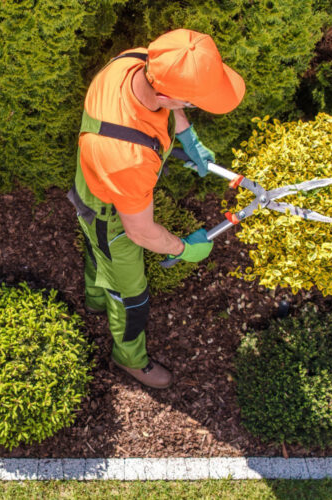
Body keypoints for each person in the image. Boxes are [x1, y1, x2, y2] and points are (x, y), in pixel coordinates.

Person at [67, 29, 245, 389]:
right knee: (131, 294)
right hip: (110, 215)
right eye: (192, 102)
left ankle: (94, 298)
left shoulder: (135, 61)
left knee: (95, 251)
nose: (190, 109)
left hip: (92, 181)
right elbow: (141, 232)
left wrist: (187, 136)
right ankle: (129, 358)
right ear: (166, 94)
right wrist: (185, 247)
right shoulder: (128, 159)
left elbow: (168, 101)